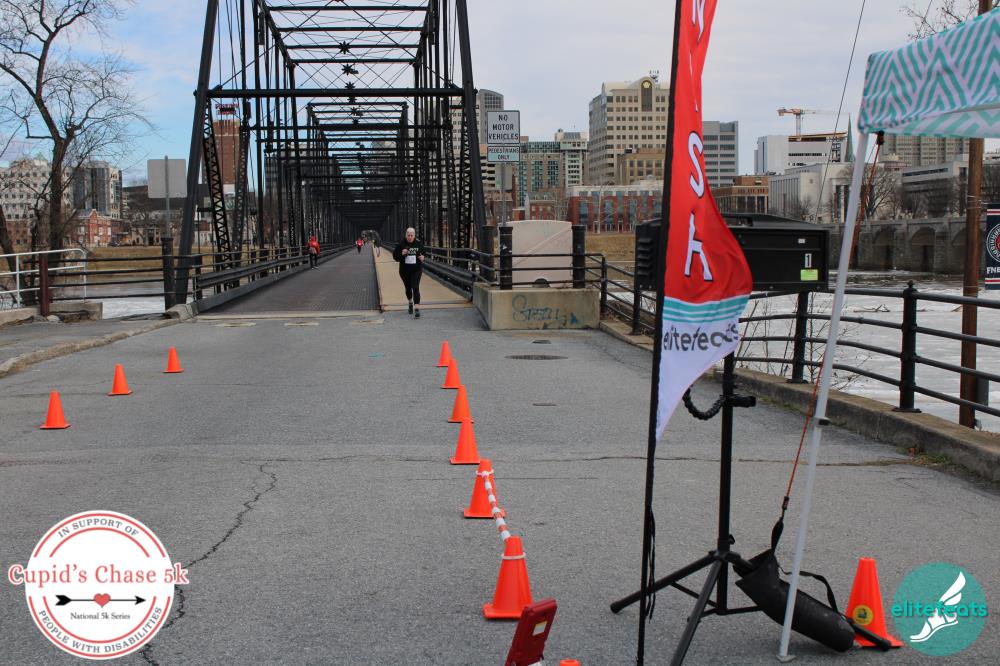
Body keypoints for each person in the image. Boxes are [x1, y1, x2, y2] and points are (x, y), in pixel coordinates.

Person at [392, 227, 425, 318]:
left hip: (416, 269)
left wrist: (423, 257)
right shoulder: (401, 244)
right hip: (404, 271)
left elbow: (423, 253)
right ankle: (410, 302)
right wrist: (402, 254)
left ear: (414, 235)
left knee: (415, 287)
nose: (410, 237)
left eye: (411, 235)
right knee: (408, 288)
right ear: (406, 235)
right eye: (408, 235)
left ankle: (417, 309)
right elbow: (395, 257)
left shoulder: (418, 244)